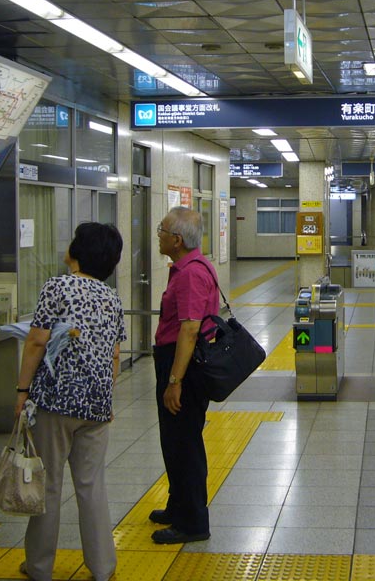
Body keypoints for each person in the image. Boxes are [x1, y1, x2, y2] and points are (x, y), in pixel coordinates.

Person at [15, 222, 124, 581]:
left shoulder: (58, 287)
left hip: (56, 403)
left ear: (79, 252)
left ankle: (40, 568)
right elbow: (114, 356)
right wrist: (103, 395)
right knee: (91, 486)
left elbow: (36, 342)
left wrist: (21, 391)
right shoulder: (112, 297)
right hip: (97, 405)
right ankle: (103, 567)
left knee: (47, 485)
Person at [149, 206, 219, 544]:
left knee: (185, 443)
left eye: (161, 230)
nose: (158, 236)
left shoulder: (191, 273)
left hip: (184, 367)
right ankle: (178, 506)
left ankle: (193, 522)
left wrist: (174, 381)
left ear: (176, 240)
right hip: (177, 361)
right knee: (174, 441)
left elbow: (190, 329)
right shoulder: (188, 266)